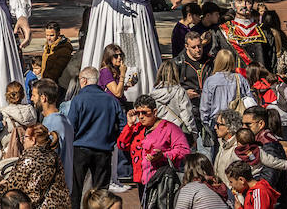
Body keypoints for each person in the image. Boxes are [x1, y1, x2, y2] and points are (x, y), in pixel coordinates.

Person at [68, 67, 125, 209]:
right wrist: (112, 138)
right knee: (101, 191)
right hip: (104, 149)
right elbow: (123, 124)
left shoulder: (78, 100)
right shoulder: (111, 100)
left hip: (80, 148)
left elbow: (71, 125)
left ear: (84, 80)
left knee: (76, 188)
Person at [118, 95, 189, 197]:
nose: (141, 116)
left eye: (145, 112)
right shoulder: (136, 128)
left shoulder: (170, 128)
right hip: (141, 180)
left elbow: (184, 150)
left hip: (162, 180)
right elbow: (122, 145)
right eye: (138, 113)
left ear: (155, 112)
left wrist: (163, 155)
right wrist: (129, 124)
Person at [0, 124, 70, 209]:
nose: (23, 140)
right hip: (60, 204)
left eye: (25, 137)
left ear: (33, 140)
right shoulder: (53, 156)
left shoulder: (30, 158)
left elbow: (13, 185)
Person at [212, 0, 272, 71]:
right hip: (232, 81)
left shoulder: (264, 31)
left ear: (252, 5)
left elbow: (271, 59)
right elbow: (215, 59)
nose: (244, 5)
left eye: (248, 2)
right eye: (239, 1)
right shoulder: (221, 31)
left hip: (259, 81)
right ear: (232, 5)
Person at [34, 80, 74, 197]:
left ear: (43, 98)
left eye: (34, 95)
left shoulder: (52, 123)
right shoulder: (64, 119)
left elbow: (48, 160)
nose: (32, 99)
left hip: (54, 190)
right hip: (63, 186)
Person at [200, 50, 252, 133]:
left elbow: (205, 106)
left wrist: (205, 122)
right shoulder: (240, 78)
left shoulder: (210, 81)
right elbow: (249, 99)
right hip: (237, 121)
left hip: (217, 122)